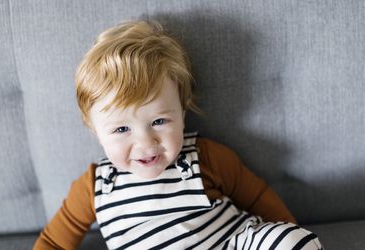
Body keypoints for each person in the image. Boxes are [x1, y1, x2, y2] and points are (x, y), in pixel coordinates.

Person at [34, 20, 323, 250]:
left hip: (234, 243)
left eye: (159, 121)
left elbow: (258, 196)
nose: (146, 144)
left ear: (182, 112)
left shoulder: (205, 157)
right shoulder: (94, 188)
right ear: (94, 129)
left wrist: (289, 230)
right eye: (122, 129)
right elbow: (54, 243)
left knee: (292, 241)